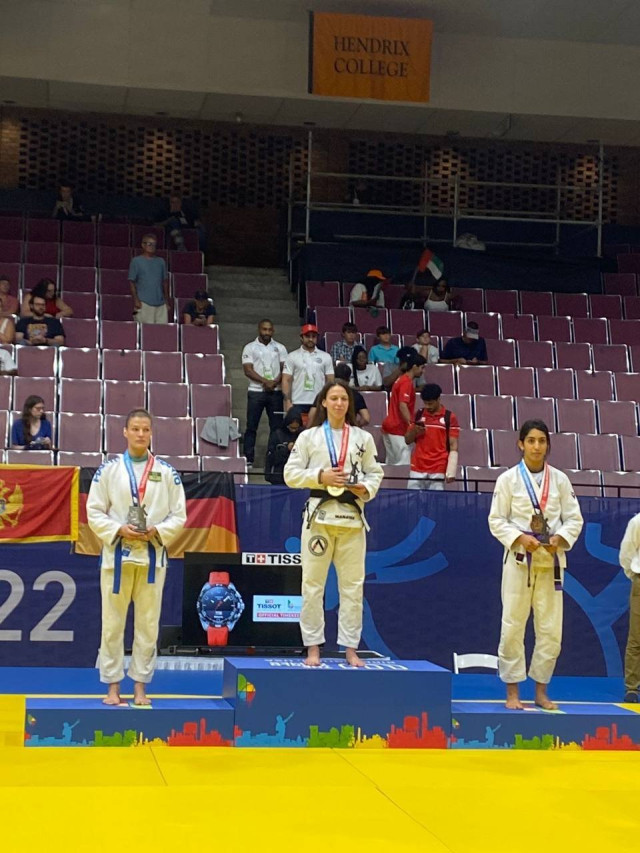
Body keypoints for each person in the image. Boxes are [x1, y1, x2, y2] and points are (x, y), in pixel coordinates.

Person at [86, 409, 187, 706]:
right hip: (116, 557)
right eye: (135, 429)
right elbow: (94, 511)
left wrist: (157, 530)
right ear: (125, 432)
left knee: (148, 625)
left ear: (151, 433)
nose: (141, 434)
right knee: (112, 625)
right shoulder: (108, 470)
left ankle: (140, 686)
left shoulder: (167, 473)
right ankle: (112, 687)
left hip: (152, 557)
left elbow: (179, 515)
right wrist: (118, 529)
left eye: (145, 429)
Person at [284, 380, 383, 667]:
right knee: (312, 585)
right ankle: (313, 647)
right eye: (334, 398)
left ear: (349, 404)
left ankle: (350, 648)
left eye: (344, 399)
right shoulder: (309, 437)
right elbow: (290, 474)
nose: (339, 403)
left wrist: (364, 488)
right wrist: (320, 476)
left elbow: (375, 473)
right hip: (319, 518)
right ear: (324, 403)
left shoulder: (363, 438)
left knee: (353, 586)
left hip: (352, 518)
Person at [488, 420, 583, 711]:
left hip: (551, 563)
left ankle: (541, 691)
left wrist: (560, 537)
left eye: (542, 441)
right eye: (531, 440)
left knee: (551, 630)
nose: (537, 446)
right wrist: (519, 537)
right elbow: (496, 520)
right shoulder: (507, 479)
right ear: (521, 444)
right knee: (512, 626)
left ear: (547, 445)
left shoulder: (561, 480)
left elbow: (574, 519)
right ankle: (512, 692)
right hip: (519, 562)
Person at [241, 319, 288, 468]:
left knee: (276, 427)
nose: (267, 332)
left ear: (273, 331)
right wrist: (265, 382)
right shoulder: (250, 347)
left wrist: (274, 382)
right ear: (259, 329)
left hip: (276, 392)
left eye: (269, 330)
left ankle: (273, 458)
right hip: (256, 391)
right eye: (264, 329)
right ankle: (248, 459)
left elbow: (285, 368)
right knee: (251, 426)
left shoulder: (280, 348)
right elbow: (248, 370)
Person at [404, 384, 460, 490]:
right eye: (425, 403)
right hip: (417, 466)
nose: (427, 406)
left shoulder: (449, 417)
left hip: (438, 468)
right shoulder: (418, 415)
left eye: (430, 403)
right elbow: (407, 440)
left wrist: (451, 470)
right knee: (412, 499)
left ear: (438, 399)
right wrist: (415, 431)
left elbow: (453, 445)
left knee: (436, 500)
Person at [381, 349, 426, 464]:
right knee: (404, 464)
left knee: (391, 465)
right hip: (398, 428)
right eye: (422, 368)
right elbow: (402, 405)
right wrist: (411, 424)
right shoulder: (406, 383)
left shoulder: (401, 380)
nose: (423, 371)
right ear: (414, 367)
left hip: (390, 426)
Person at [281, 324, 334, 417]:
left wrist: (328, 399)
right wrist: (287, 401)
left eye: (313, 336)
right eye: (307, 336)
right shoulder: (292, 356)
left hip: (318, 401)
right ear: (301, 337)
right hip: (297, 401)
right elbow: (286, 380)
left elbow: (330, 380)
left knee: (318, 426)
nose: (310, 339)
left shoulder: (326, 357)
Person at [617, 514, 640, 702]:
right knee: (637, 637)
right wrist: (635, 576)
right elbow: (626, 553)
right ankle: (632, 687)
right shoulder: (638, 521)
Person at [308, 363, 370, 427]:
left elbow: (312, 415)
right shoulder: (356, 395)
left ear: (334, 376)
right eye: (334, 398)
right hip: (349, 429)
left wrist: (314, 429)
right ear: (349, 379)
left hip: (326, 429)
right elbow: (366, 418)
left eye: (344, 399)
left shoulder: (324, 392)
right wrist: (355, 427)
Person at [128, 234, 170, 324]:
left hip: (161, 303)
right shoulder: (136, 261)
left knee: (162, 330)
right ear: (143, 245)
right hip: (144, 302)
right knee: (146, 330)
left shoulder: (161, 261)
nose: (152, 246)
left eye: (154, 244)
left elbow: (165, 282)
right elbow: (132, 282)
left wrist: (166, 301)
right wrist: (136, 300)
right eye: (149, 244)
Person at [265, 407, 304, 485]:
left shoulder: (302, 434)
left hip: (297, 474)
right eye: (291, 428)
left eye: (296, 428)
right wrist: (286, 448)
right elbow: (271, 457)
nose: (293, 430)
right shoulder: (277, 434)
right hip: (279, 475)